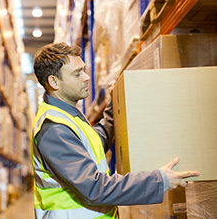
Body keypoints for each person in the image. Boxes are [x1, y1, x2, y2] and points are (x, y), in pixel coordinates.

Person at [31, 42, 200, 219]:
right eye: (77, 73)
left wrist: (115, 106)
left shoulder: (67, 115)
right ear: (54, 82)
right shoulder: (54, 128)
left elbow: (95, 143)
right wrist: (159, 180)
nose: (87, 77)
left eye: (84, 70)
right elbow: (94, 188)